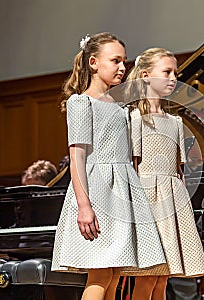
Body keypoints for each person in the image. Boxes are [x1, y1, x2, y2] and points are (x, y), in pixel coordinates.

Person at [50, 33, 166, 300]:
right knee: (100, 274)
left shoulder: (121, 107)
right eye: (115, 61)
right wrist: (84, 205)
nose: (123, 67)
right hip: (98, 192)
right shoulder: (82, 102)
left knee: (113, 274)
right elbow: (77, 155)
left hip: (122, 193)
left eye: (124, 62)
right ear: (93, 62)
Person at [126, 48, 204, 299]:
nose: (174, 77)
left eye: (176, 72)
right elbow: (133, 165)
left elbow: (178, 169)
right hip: (147, 199)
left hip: (172, 199)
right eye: (167, 71)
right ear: (146, 76)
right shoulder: (135, 117)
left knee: (163, 276)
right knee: (149, 273)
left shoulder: (175, 122)